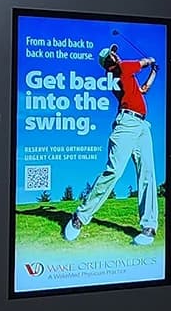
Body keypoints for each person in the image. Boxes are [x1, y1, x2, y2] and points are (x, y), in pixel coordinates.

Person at [64, 44, 159, 246]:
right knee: (113, 172)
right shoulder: (120, 70)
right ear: (108, 64)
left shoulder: (127, 75)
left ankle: (149, 226)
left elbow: (144, 89)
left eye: (114, 52)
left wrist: (153, 73)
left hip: (142, 124)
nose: (115, 55)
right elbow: (141, 63)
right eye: (111, 54)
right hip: (126, 124)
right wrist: (149, 61)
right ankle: (79, 217)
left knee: (148, 173)